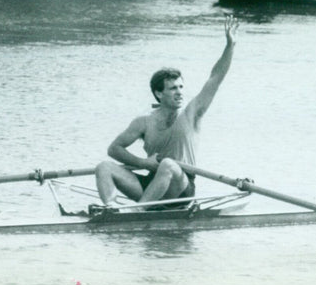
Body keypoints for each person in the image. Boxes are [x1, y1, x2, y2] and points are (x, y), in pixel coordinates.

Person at [95, 16, 240, 210]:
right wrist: (143, 163)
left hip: (181, 189)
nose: (180, 92)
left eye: (181, 87)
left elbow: (215, 77)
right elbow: (114, 149)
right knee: (103, 167)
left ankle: (138, 210)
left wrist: (230, 46)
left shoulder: (192, 113)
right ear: (159, 93)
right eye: (173, 88)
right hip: (152, 186)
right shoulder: (144, 122)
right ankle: (111, 209)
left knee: (168, 164)